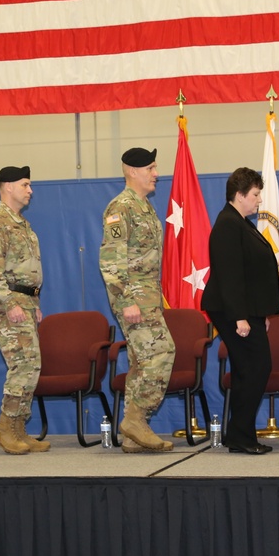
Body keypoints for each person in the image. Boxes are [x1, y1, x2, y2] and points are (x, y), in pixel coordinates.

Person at [99, 147, 175, 453]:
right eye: (151, 169)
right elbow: (110, 261)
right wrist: (126, 299)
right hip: (133, 296)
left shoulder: (144, 207)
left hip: (148, 295)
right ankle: (135, 418)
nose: (156, 174)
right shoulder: (121, 207)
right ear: (132, 171)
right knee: (163, 351)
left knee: (141, 363)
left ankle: (132, 437)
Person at [202, 167, 279, 455]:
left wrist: (259, 314)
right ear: (239, 195)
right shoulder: (227, 224)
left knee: (246, 370)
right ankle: (240, 435)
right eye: (255, 195)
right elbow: (230, 275)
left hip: (246, 311)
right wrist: (240, 318)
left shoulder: (240, 222)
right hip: (232, 311)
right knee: (256, 367)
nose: (259, 200)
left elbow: (249, 275)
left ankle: (240, 435)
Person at [0, 165, 50, 455]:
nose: (30, 190)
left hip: (25, 303)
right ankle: (6, 428)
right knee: (22, 366)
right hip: (7, 305)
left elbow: (27, 272)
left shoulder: (22, 224)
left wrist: (33, 304)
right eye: (25, 184)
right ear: (7, 187)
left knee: (31, 367)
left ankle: (16, 428)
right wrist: (10, 304)